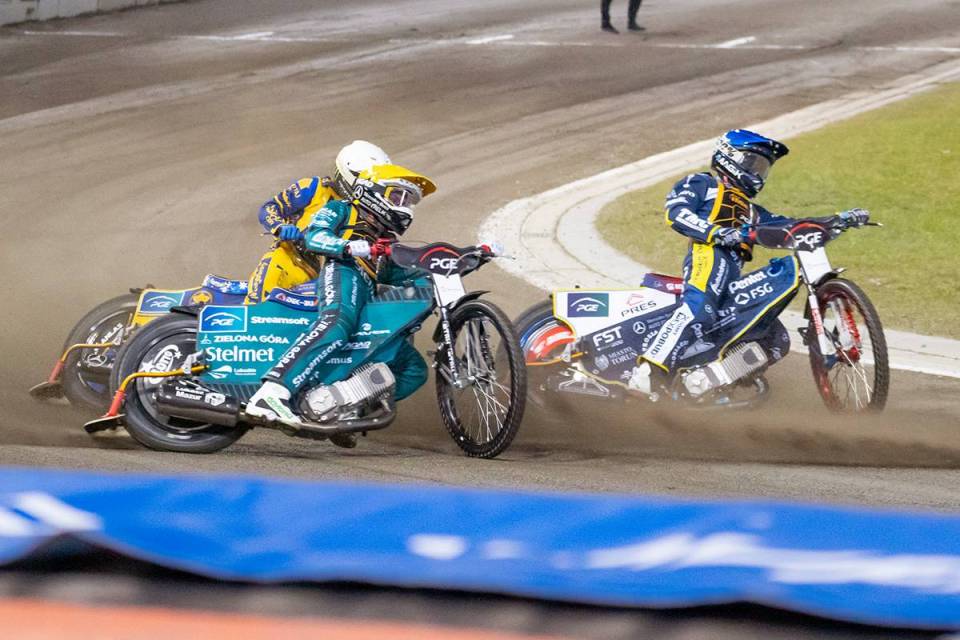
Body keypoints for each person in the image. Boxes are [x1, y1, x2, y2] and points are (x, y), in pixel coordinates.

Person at [630, 129, 868, 394]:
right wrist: (717, 232)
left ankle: (704, 382)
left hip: (733, 273)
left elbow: (792, 226)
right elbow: (676, 213)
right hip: (709, 255)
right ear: (730, 157)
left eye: (763, 167)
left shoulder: (754, 211)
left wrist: (838, 220)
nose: (759, 173)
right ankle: (648, 372)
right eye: (754, 163)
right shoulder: (702, 183)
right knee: (699, 309)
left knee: (776, 339)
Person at [246, 163, 437, 434]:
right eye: (398, 197)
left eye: (409, 202)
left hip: (368, 291)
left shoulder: (384, 238)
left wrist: (444, 267)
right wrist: (346, 246)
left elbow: (394, 273)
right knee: (336, 325)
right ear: (373, 191)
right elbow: (315, 236)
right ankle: (273, 392)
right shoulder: (342, 209)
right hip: (343, 271)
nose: (404, 207)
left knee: (413, 369)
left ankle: (340, 408)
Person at [245, 140, 391, 304]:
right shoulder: (314, 187)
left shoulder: (370, 212)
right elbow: (270, 207)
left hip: (329, 274)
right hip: (289, 258)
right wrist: (280, 227)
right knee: (260, 296)